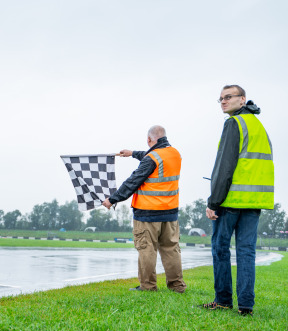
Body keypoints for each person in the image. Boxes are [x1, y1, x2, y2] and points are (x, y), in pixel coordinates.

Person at [202, 85, 274, 316]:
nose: (223, 102)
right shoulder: (258, 126)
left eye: (228, 97)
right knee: (246, 252)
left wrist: (214, 202)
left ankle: (223, 301)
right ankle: (246, 306)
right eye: (220, 99)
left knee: (220, 248)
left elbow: (225, 167)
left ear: (242, 99)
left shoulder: (234, 124)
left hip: (231, 200)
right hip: (254, 202)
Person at [102, 125, 186, 293]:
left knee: (147, 249)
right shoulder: (174, 154)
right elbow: (151, 156)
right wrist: (132, 153)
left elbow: (133, 181)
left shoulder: (151, 158)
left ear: (149, 139)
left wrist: (112, 199)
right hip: (170, 212)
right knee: (171, 249)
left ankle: (147, 286)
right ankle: (177, 286)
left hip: (147, 213)